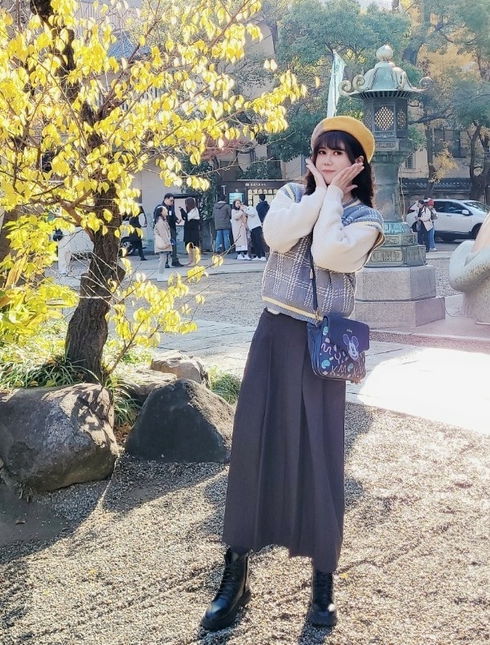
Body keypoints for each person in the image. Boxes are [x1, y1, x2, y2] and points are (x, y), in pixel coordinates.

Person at [201, 116, 383, 632]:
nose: (327, 161)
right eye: (322, 151)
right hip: (274, 335)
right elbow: (277, 236)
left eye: (340, 153)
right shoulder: (286, 195)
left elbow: (328, 252)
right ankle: (235, 573)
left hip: (320, 347)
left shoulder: (368, 219)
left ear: (357, 164)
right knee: (254, 446)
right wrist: (318, 198)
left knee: (321, 455)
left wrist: (330, 202)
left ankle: (323, 582)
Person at [163, 193, 184, 267]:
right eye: (171, 200)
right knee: (166, 245)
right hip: (165, 228)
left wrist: (177, 220)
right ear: (166, 199)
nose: (172, 202)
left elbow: (173, 215)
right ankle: (165, 261)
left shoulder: (171, 207)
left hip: (172, 227)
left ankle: (174, 260)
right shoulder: (161, 208)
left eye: (173, 201)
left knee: (173, 244)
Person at [181, 196, 201, 266]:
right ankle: (190, 260)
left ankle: (194, 261)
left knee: (193, 246)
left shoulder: (195, 210)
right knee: (188, 246)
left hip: (193, 231)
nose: (186, 205)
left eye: (186, 203)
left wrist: (183, 212)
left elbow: (188, 217)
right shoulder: (189, 211)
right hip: (188, 230)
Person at [153, 203, 172, 272]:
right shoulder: (160, 221)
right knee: (163, 259)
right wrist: (167, 242)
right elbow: (163, 233)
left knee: (163, 259)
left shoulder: (161, 220)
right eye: (164, 210)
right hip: (163, 243)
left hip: (163, 243)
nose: (166, 211)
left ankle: (161, 273)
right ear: (161, 212)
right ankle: (160, 274)